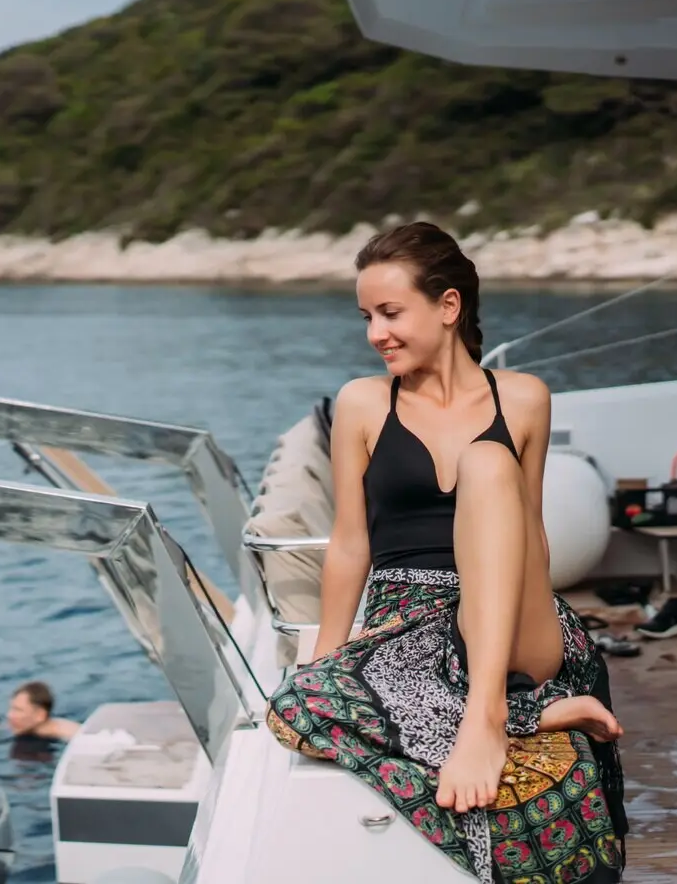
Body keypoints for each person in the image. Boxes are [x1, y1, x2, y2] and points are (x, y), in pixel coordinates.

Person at [265, 222, 629, 884]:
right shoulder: (362, 404)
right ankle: (536, 714)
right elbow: (351, 543)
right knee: (295, 706)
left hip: (515, 617)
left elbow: (533, 535)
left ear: (449, 306)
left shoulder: (523, 399)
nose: (376, 333)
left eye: (391, 312)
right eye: (367, 316)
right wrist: (328, 659)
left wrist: (533, 618)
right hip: (411, 619)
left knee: (489, 464)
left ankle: (489, 714)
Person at [4, 680, 81, 742]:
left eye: (18, 710)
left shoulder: (69, 733)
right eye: (11, 708)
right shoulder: (25, 727)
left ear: (40, 715)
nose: (9, 715)